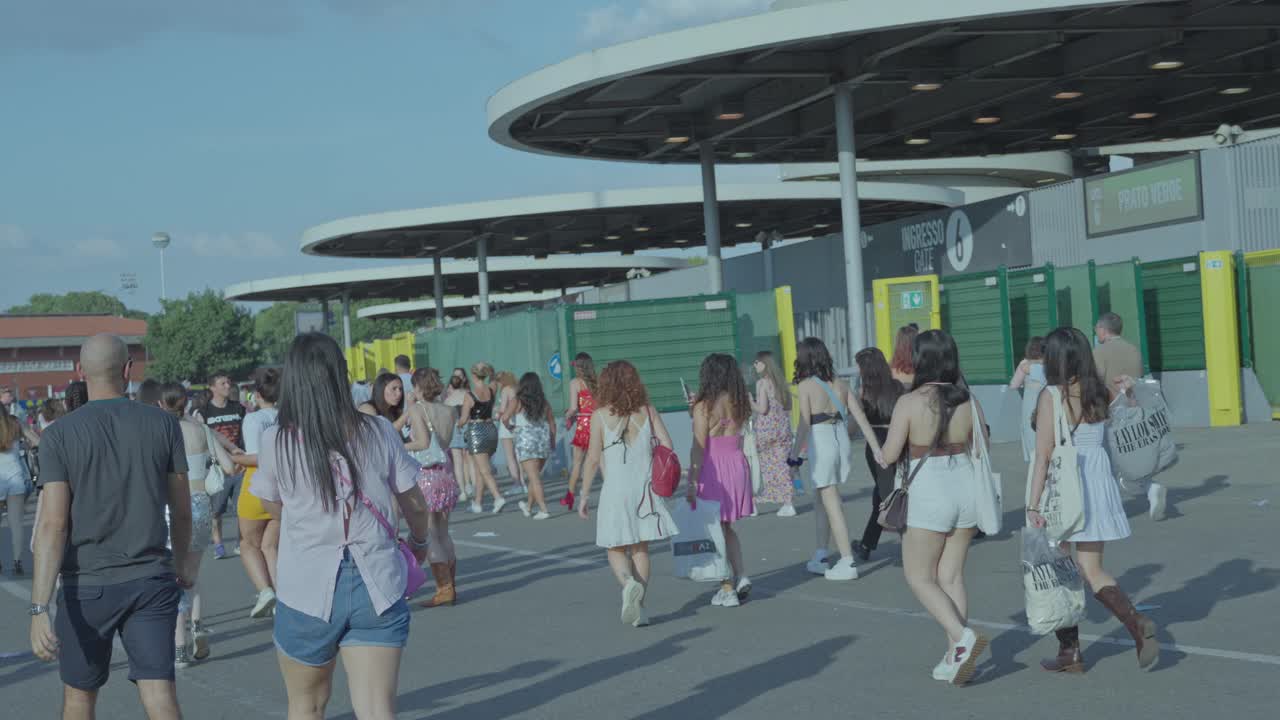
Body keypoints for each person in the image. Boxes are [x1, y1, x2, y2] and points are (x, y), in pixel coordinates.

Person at [250, 333, 431, 720]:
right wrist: (419, 542)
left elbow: (271, 503)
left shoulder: (276, 441)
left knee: (306, 706)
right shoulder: (378, 430)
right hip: (376, 582)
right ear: (341, 376)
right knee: (377, 708)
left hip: (307, 587)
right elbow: (415, 504)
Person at [29, 334, 193, 719]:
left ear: (80, 371)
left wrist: (39, 607)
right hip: (151, 578)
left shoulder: (58, 435)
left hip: (86, 584)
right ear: (128, 369)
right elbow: (182, 510)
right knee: (160, 695)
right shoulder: (164, 425)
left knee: (79, 698)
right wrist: (183, 564)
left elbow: (53, 525)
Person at [1029, 327, 1158, 674]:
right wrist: (1130, 395)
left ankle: (1069, 652)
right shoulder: (1097, 391)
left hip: (1063, 485)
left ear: (1054, 359)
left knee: (1059, 568)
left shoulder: (1051, 396)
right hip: (1096, 481)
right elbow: (1122, 428)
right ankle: (1136, 623)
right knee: (1091, 568)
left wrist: (1032, 505)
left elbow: (1043, 456)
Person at [879, 330, 990, 685]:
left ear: (921, 360)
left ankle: (962, 639)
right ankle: (955, 657)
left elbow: (890, 456)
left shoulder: (910, 402)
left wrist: (878, 447)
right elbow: (983, 444)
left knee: (919, 576)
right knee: (952, 575)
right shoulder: (968, 400)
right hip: (967, 486)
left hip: (930, 492)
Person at [577, 360, 677, 627]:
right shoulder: (647, 410)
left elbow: (593, 458)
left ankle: (627, 583)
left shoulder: (600, 415)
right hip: (645, 489)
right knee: (641, 547)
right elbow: (668, 445)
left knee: (614, 546)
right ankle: (640, 607)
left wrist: (584, 495)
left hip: (616, 488)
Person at [788, 338, 882, 581]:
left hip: (822, 441)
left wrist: (793, 456)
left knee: (831, 501)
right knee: (821, 498)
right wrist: (877, 449)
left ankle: (847, 560)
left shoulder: (807, 385)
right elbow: (860, 417)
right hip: (841, 440)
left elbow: (804, 425)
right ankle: (820, 555)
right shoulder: (840, 384)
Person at [160, 382, 236, 667]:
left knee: (174, 576)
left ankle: (179, 647)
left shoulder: (162, 432)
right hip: (201, 503)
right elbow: (228, 467)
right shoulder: (201, 430)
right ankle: (197, 626)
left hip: (172, 506)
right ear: (186, 403)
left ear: (160, 405)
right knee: (192, 572)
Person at [688, 353, 755, 606]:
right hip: (737, 465)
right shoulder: (739, 401)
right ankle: (741, 575)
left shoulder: (703, 406)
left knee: (713, 529)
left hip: (713, 468)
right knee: (727, 527)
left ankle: (726, 588)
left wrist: (692, 479)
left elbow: (698, 446)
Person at [1092, 311, 1165, 520]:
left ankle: (1112, 508)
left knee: (1108, 460)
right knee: (1133, 452)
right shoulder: (1133, 349)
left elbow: (1096, 381)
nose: (1096, 332)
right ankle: (1151, 486)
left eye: (1096, 328)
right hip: (1134, 407)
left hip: (1111, 410)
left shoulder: (1100, 351)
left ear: (1103, 330)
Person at [404, 368, 461, 608]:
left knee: (429, 534)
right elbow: (444, 443)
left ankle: (444, 588)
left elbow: (422, 442)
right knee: (443, 531)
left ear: (418, 387)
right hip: (446, 474)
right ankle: (451, 585)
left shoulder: (418, 409)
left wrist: (400, 446)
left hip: (427, 476)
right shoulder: (449, 410)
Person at [231, 369, 283, 620]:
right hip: (284, 486)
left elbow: (257, 457)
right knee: (270, 545)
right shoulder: (288, 417)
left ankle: (265, 591)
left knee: (248, 544)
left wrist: (234, 457)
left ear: (257, 394)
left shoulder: (254, 420)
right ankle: (282, 596)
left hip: (256, 486)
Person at [853, 347, 904, 563]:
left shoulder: (865, 392)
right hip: (897, 440)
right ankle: (866, 543)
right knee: (888, 492)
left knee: (889, 497)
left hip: (875, 445)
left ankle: (905, 543)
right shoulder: (897, 387)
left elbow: (854, 425)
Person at [200, 372, 246, 560]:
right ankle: (218, 544)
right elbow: (204, 440)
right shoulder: (204, 412)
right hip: (217, 468)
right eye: (223, 383)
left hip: (240, 466)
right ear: (213, 388)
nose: (228, 386)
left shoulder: (239, 408)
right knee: (216, 511)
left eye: (228, 382)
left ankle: (240, 542)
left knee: (241, 509)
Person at [502, 372, 556, 519]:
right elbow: (552, 423)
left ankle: (544, 509)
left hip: (525, 440)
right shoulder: (544, 402)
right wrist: (552, 441)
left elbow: (504, 418)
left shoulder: (517, 401)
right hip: (542, 441)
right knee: (535, 477)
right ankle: (529, 506)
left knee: (534, 477)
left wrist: (511, 428)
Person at [750, 351, 795, 517]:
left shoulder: (762, 383)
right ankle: (787, 502)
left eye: (756, 362)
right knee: (782, 466)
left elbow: (762, 409)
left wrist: (750, 401)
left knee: (766, 469)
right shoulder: (781, 383)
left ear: (764, 363)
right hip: (782, 429)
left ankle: (754, 502)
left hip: (766, 430)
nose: (754, 366)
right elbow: (788, 406)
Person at [459, 362, 504, 514]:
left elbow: (464, 419)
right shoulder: (492, 389)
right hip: (491, 429)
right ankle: (477, 503)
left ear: (472, 375)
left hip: (476, 430)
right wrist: (490, 368)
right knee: (480, 468)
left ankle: (498, 497)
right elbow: (494, 377)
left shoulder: (470, 395)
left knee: (484, 470)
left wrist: (455, 424)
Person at [2, 410, 40, 576]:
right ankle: (17, 561)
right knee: (16, 523)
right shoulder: (15, 423)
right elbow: (37, 440)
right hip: (16, 477)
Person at [562, 353, 597, 509]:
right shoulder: (597, 382)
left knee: (577, 463)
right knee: (598, 461)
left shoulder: (575, 383)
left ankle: (570, 496)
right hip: (597, 423)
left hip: (583, 424)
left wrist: (568, 416)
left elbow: (574, 408)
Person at [1010, 336, 1047, 463]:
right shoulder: (1050, 364)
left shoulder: (1024, 365)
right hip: (1047, 403)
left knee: (1032, 436)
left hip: (1030, 404)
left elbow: (1013, 385)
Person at [493, 371, 525, 496]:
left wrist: (496, 412)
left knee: (510, 456)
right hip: (520, 421)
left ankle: (517, 484)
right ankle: (523, 482)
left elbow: (502, 410)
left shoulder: (506, 390)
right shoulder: (518, 388)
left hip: (507, 423)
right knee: (520, 455)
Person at [444, 369, 473, 503]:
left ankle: (462, 491)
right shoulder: (468, 395)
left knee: (458, 462)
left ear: (450, 385)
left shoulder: (448, 400)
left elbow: (446, 420)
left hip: (455, 429)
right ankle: (473, 486)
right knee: (470, 459)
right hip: (468, 426)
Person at [358, 372, 410, 439]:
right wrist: (409, 411)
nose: (399, 393)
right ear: (381, 389)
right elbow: (383, 434)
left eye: (400, 389)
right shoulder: (367, 408)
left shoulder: (392, 411)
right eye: (394, 389)